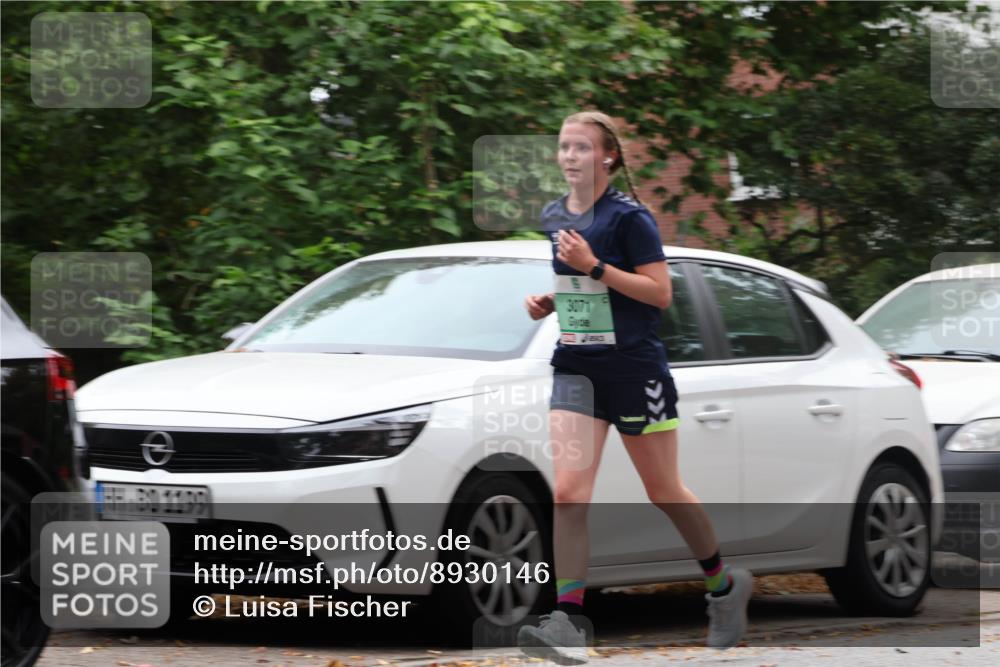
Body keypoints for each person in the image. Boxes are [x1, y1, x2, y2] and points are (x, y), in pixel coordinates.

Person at [516, 111, 754, 665]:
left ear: (608, 158)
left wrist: (594, 267)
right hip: (576, 365)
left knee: (663, 489)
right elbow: (582, 285)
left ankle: (722, 587)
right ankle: (569, 622)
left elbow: (658, 294)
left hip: (634, 369)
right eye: (563, 147)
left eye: (580, 148)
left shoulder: (631, 218)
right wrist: (551, 300)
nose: (569, 156)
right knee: (569, 493)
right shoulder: (555, 215)